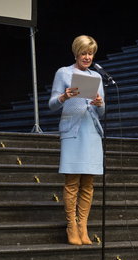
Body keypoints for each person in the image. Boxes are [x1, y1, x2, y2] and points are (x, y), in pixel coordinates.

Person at [49, 35, 105, 246]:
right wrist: (65, 96)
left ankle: (83, 226)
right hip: (73, 131)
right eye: (84, 53)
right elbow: (52, 104)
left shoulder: (97, 78)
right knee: (72, 182)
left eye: (90, 53)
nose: (87, 57)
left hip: (91, 132)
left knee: (88, 184)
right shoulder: (63, 73)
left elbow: (102, 112)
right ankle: (71, 225)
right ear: (76, 53)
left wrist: (99, 103)